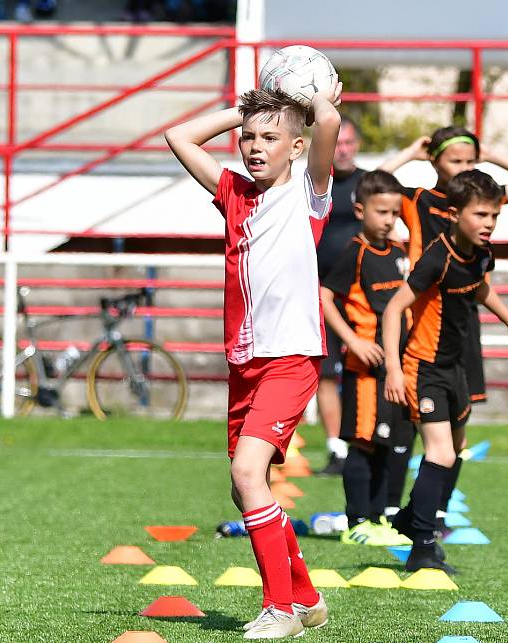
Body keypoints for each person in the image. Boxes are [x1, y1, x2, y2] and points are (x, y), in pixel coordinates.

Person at [165, 83, 341, 639]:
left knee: (248, 474)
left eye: (270, 137)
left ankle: (280, 609)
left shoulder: (308, 193)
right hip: (245, 362)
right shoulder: (234, 192)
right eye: (248, 138)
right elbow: (178, 136)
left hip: (290, 358)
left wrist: (315, 106)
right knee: (244, 486)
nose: (254, 146)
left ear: (297, 147)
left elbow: (328, 128)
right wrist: (245, 112)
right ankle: (307, 599)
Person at [379, 126, 508, 528]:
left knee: (456, 437)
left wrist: (490, 153)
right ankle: (393, 512)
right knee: (412, 430)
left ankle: (432, 512)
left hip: (460, 320)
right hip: (420, 315)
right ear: (435, 160)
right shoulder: (420, 200)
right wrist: (409, 152)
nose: (464, 168)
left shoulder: (481, 206)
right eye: (456, 160)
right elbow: (377, 185)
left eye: (471, 161)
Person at [320, 170, 414, 547]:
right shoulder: (355, 253)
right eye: (381, 212)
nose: (389, 220)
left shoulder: (399, 254)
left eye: (394, 212)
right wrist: (353, 342)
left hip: (397, 365)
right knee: (363, 442)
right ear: (360, 210)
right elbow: (325, 297)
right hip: (364, 368)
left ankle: (380, 518)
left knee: (389, 442)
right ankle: (357, 519)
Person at [316, 115, 366, 475]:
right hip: (320, 293)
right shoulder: (316, 183)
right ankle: (337, 450)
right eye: (337, 143)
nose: (343, 149)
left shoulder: (370, 185)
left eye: (348, 143)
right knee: (326, 373)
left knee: (363, 370)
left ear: (357, 145)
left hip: (362, 296)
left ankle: (367, 444)